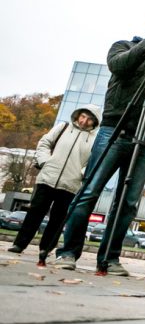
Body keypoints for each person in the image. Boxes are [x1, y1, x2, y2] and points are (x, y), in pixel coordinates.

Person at [55, 23, 145, 274]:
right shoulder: (126, 46)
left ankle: (110, 258)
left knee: (128, 202)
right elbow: (118, 65)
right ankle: (68, 252)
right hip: (115, 128)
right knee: (90, 191)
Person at [8, 105, 101, 265]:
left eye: (89, 118)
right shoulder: (63, 127)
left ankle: (46, 249)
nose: (85, 121)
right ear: (78, 115)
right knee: (35, 212)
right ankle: (19, 244)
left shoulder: (94, 140)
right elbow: (44, 143)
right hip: (47, 178)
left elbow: (93, 161)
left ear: (95, 121)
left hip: (70, 184)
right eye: (83, 116)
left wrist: (82, 173)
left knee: (57, 219)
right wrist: (45, 161)